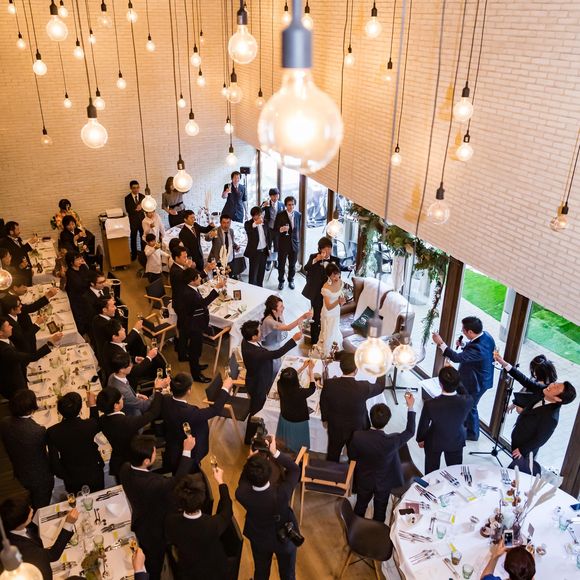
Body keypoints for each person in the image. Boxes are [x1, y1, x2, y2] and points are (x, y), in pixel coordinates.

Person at [120, 434, 195, 580]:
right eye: (154, 452)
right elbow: (178, 480)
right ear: (146, 461)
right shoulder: (155, 483)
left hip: (140, 519)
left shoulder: (124, 469)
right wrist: (187, 450)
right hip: (154, 531)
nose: (156, 452)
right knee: (154, 563)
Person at [236, 437, 301, 580]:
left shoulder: (241, 494)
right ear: (269, 472)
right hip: (284, 539)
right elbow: (295, 469)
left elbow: (243, 480)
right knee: (288, 575)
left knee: (261, 572)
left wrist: (250, 460)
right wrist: (275, 452)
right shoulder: (282, 494)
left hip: (259, 538)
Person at [349, 394, 416, 522]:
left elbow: (352, 456)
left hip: (364, 478)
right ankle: (377, 530)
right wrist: (410, 407)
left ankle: (355, 525)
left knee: (360, 505)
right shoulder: (392, 441)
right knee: (380, 511)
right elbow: (410, 431)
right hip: (384, 482)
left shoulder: (358, 436)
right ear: (387, 421)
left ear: (370, 417)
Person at [432, 316, 495, 441]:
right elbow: (474, 348)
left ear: (470, 332)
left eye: (463, 330)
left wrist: (441, 343)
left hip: (477, 382)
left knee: (471, 406)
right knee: (468, 404)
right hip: (481, 378)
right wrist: (464, 344)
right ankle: (465, 424)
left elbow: (457, 358)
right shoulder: (486, 336)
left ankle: (472, 433)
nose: (462, 332)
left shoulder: (478, 348)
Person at [166, 468, 234, 580]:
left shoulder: (171, 521)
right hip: (213, 570)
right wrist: (220, 482)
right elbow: (227, 510)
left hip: (187, 569)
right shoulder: (212, 524)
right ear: (202, 499)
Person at [320, 352, 386, 462]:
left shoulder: (329, 384)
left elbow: (323, 402)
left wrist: (325, 419)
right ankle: (352, 469)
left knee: (333, 453)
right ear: (356, 370)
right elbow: (380, 387)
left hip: (336, 427)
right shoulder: (363, 387)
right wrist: (382, 367)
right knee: (355, 456)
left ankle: (331, 470)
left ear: (341, 367)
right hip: (357, 428)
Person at [161, 373, 232, 473]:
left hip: (171, 444)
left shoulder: (165, 399)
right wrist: (225, 388)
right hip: (187, 452)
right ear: (189, 391)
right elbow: (215, 410)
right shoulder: (190, 412)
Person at [0, 495, 78, 580]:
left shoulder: (10, 524)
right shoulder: (24, 549)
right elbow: (52, 555)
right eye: (28, 511)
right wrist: (68, 524)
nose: (32, 510)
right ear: (21, 523)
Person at [0, 390, 54, 509]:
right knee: (41, 506)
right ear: (32, 407)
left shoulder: (4, 423)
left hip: (20, 470)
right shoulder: (37, 432)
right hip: (39, 477)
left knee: (33, 495)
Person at [96, 385, 163, 480]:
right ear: (116, 405)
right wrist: (158, 391)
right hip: (132, 463)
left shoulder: (102, 420)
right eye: (121, 398)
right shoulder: (126, 422)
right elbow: (153, 413)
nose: (123, 398)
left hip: (117, 462)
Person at [416, 366, 473, 473]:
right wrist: (455, 379)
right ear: (457, 382)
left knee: (431, 472)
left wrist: (420, 439)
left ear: (440, 384)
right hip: (456, 439)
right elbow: (464, 392)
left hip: (434, 440)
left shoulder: (430, 404)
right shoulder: (467, 401)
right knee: (455, 472)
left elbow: (423, 424)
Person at [46, 391, 104, 494]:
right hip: (94, 473)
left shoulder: (52, 432)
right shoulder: (89, 425)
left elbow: (54, 463)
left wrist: (66, 476)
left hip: (71, 477)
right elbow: (96, 422)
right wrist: (92, 405)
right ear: (80, 408)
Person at [241, 320, 301, 416]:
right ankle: (253, 423)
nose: (261, 332)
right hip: (258, 383)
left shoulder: (245, 340)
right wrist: (293, 340)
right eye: (259, 331)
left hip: (258, 375)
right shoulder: (255, 353)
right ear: (253, 337)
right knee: (257, 409)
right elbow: (277, 354)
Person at [509, 380, 575, 466]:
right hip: (517, 436)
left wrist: (522, 450)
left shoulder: (551, 418)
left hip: (525, 449)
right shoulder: (544, 393)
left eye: (556, 387)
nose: (551, 385)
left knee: (518, 468)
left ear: (558, 399)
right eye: (555, 383)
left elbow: (540, 439)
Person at [179, 268, 224, 382]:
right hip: (194, 326)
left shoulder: (189, 288)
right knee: (194, 351)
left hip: (194, 323)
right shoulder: (190, 294)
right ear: (192, 281)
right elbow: (203, 303)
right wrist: (216, 288)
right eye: (198, 277)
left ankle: (197, 366)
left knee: (196, 349)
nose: (200, 278)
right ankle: (196, 375)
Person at [0, 315, 58, 400]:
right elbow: (33, 357)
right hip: (14, 385)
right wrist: (50, 343)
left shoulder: (6, 339)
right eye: (8, 326)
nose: (11, 327)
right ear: (1, 333)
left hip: (17, 372)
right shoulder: (5, 351)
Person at [302, 237, 343, 344]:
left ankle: (325, 340)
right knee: (315, 317)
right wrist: (316, 260)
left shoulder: (336, 260)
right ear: (320, 249)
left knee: (326, 317)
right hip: (316, 293)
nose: (328, 251)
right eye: (325, 249)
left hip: (329, 293)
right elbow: (306, 268)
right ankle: (314, 342)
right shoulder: (313, 257)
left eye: (329, 248)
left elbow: (339, 274)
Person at [260, 295, 311, 377]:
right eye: (281, 306)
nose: (283, 308)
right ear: (273, 310)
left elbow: (285, 326)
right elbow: (288, 328)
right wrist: (303, 317)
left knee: (278, 364)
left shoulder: (278, 314)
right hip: (269, 348)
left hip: (275, 344)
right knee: (274, 369)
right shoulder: (269, 321)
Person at [107, 351, 168, 416]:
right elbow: (144, 406)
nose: (132, 365)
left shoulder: (113, 376)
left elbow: (126, 395)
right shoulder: (123, 390)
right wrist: (158, 389)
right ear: (121, 370)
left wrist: (137, 395)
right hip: (135, 414)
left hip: (134, 404)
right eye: (129, 364)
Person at [276, 363, 316, 453]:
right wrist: (310, 370)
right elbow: (312, 388)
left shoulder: (280, 384)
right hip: (298, 419)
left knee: (285, 438)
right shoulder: (300, 392)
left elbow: (288, 379)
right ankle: (297, 452)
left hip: (285, 415)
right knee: (299, 439)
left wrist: (302, 367)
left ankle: (285, 447)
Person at [169, 245, 194, 361]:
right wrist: (189, 269)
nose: (186, 259)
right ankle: (182, 355)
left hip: (180, 301)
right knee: (184, 330)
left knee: (181, 326)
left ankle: (178, 346)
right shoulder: (176, 271)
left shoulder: (179, 268)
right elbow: (190, 280)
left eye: (186, 256)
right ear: (176, 258)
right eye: (184, 257)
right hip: (181, 304)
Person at [316, 262, 346, 355]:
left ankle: (334, 353)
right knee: (327, 334)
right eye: (333, 276)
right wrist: (338, 301)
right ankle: (325, 354)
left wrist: (342, 301)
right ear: (329, 276)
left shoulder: (340, 282)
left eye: (337, 274)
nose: (336, 277)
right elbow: (328, 307)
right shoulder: (326, 288)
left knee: (334, 332)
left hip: (336, 312)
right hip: (328, 314)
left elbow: (340, 294)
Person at [274, 196, 302, 290]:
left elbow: (298, 229)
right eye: (289, 205)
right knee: (281, 265)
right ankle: (281, 281)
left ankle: (291, 280)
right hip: (283, 244)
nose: (291, 207)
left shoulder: (298, 215)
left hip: (294, 244)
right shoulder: (280, 215)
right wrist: (281, 229)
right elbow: (275, 229)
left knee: (292, 265)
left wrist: (298, 241)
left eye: (293, 204)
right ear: (286, 205)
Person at [64, 251, 91, 335]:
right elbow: (79, 286)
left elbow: (89, 277)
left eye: (80, 258)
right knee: (81, 318)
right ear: (71, 262)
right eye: (77, 259)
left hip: (85, 295)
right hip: (77, 299)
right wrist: (89, 283)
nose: (80, 261)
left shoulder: (83, 267)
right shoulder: (69, 273)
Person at [1, 221, 35, 285]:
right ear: (11, 232)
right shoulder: (5, 243)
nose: (19, 231)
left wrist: (29, 267)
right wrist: (30, 243)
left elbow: (24, 254)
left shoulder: (18, 239)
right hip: (18, 273)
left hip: (26, 270)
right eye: (17, 229)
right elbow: (18, 253)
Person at [244, 206, 270, 286]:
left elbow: (268, 236)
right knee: (253, 273)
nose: (259, 217)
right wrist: (255, 224)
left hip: (264, 251)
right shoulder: (248, 224)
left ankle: (260, 286)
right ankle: (251, 288)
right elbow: (249, 231)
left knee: (261, 272)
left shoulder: (265, 222)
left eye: (260, 214)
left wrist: (269, 248)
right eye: (257, 215)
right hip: (254, 252)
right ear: (253, 216)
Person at [261, 187, 285, 261]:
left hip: (278, 229)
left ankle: (276, 260)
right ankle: (268, 261)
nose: (276, 197)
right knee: (268, 244)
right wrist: (263, 206)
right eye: (274, 196)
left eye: (277, 195)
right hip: (269, 228)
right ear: (270, 196)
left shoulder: (281, 204)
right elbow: (258, 211)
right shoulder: (266, 203)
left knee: (277, 245)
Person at [125, 180, 146, 261]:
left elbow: (146, 208)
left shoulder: (142, 196)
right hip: (133, 221)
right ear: (131, 188)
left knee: (143, 237)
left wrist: (142, 208)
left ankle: (143, 253)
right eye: (134, 188)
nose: (136, 189)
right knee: (133, 238)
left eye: (137, 187)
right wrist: (136, 209)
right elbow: (128, 210)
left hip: (142, 221)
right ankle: (134, 255)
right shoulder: (127, 198)